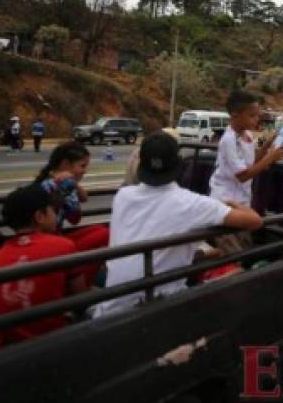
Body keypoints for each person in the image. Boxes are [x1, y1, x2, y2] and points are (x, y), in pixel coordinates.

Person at [96, 131, 263, 315]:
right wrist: (231, 203)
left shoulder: (122, 196)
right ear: (178, 164)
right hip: (160, 308)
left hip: (109, 309)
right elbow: (255, 221)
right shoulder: (192, 203)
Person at [0, 183, 90, 347]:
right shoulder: (64, 246)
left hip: (4, 344)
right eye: (52, 211)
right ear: (40, 217)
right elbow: (81, 301)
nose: (56, 215)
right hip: (49, 341)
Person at [35, 142, 109, 285]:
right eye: (82, 166)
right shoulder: (61, 184)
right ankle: (82, 284)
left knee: (99, 229)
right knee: (104, 234)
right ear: (65, 164)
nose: (84, 171)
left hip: (52, 238)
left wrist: (73, 183)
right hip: (50, 245)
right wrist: (69, 184)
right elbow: (75, 218)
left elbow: (84, 197)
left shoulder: (46, 179)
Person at [208, 90, 283, 207]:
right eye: (252, 116)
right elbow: (242, 176)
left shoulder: (247, 134)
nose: (256, 119)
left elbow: (251, 162)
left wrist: (268, 144)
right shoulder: (229, 140)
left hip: (242, 198)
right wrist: (269, 158)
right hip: (225, 200)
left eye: (257, 115)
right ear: (235, 115)